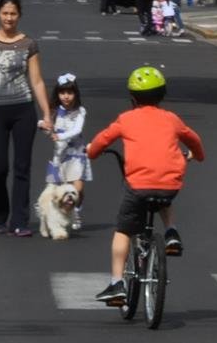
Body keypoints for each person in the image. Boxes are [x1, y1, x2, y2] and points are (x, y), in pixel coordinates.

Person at [87, 67, 204, 303]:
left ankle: (116, 283)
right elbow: (194, 139)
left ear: (132, 97)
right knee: (162, 195)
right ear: (162, 95)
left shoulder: (126, 119)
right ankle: (171, 233)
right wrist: (197, 155)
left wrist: (91, 151)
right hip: (169, 184)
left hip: (139, 185)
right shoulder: (172, 118)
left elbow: (102, 140)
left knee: (123, 230)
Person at [0, 0, 52, 236]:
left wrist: (47, 113)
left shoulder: (29, 44)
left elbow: (36, 81)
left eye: (13, 14)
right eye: (5, 13)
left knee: (22, 166)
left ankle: (20, 220)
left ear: (19, 16)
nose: (9, 18)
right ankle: (1, 215)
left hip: (23, 108)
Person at [46, 73, 91, 230]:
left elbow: (77, 130)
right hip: (60, 155)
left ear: (75, 94)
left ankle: (76, 210)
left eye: (69, 93)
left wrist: (60, 135)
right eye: (62, 93)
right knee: (59, 188)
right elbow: (50, 131)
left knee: (77, 188)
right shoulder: (54, 111)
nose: (66, 97)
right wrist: (44, 128)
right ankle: (59, 215)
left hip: (77, 152)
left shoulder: (80, 111)